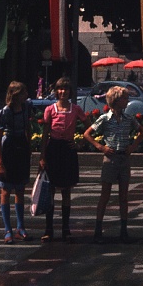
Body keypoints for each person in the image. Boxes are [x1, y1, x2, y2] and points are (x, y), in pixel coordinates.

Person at [83, 86, 143, 244]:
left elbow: (142, 131)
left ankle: (124, 230)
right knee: (105, 195)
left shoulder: (128, 118)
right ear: (116, 101)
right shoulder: (105, 118)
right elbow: (87, 134)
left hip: (124, 158)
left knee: (123, 196)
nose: (127, 101)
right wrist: (100, 147)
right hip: (110, 158)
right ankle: (98, 230)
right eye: (124, 98)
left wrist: (132, 147)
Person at [39, 77, 91, 243]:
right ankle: (48, 229)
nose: (63, 92)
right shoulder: (50, 109)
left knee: (66, 190)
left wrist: (80, 143)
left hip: (68, 150)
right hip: (53, 149)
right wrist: (42, 156)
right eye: (60, 89)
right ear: (56, 91)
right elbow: (45, 134)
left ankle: (66, 229)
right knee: (51, 190)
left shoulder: (75, 109)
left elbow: (90, 126)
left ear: (70, 92)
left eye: (66, 89)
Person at [0, 81, 33, 244]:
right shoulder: (5, 112)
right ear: (16, 95)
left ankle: (20, 227)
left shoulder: (26, 107)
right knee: (6, 190)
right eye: (24, 92)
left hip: (21, 147)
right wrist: (0, 162)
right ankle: (7, 229)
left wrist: (29, 146)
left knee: (20, 189)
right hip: (9, 148)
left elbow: (28, 127)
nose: (27, 95)